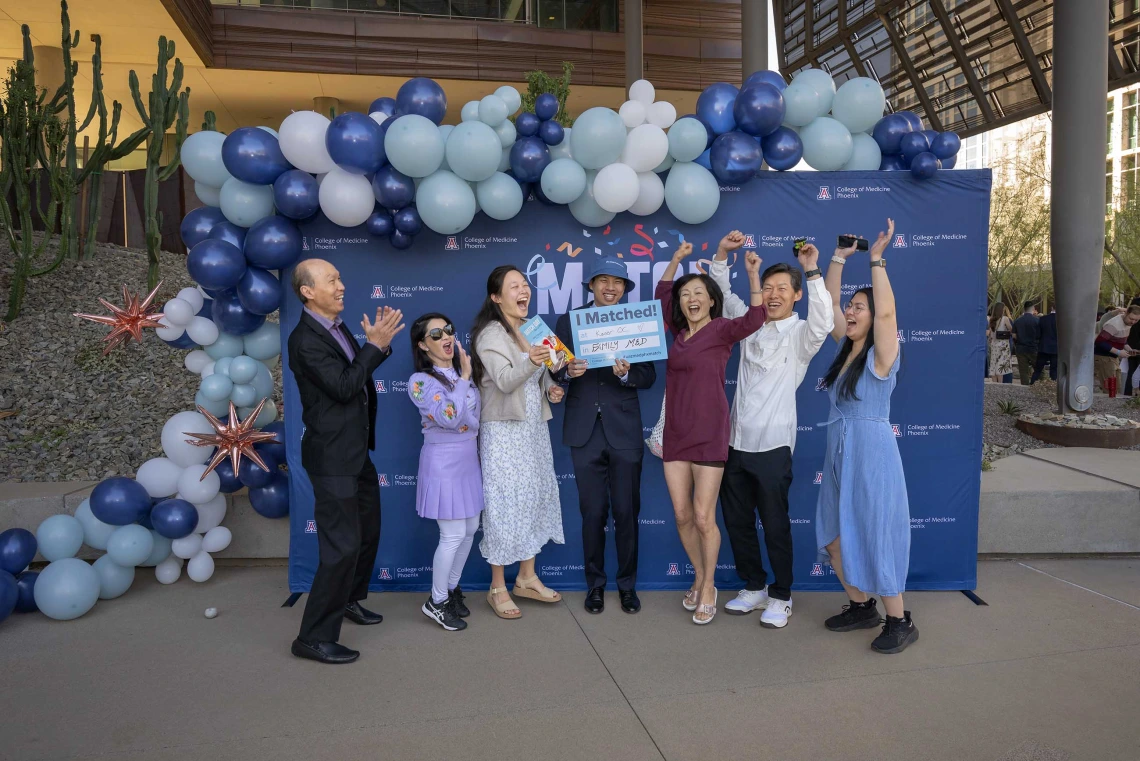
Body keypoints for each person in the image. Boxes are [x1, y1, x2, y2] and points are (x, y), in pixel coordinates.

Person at [706, 231, 833, 629]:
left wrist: (812, 270)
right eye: (768, 287)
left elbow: (824, 321)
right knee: (737, 520)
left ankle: (781, 594)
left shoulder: (800, 336)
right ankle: (754, 586)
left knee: (776, 524)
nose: (774, 294)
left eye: (782, 288)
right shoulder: (749, 325)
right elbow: (724, 296)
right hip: (735, 442)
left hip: (775, 444)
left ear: (796, 295)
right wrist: (724, 257)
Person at [287, 258, 404, 665]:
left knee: (367, 533)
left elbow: (356, 374)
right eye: (331, 279)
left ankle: (349, 599)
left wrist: (377, 347)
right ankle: (313, 637)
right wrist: (374, 347)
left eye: (339, 277)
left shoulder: (333, 328)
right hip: (332, 457)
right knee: (341, 547)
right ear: (307, 291)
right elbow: (342, 386)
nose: (341, 285)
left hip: (355, 452)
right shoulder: (305, 339)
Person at [816, 218, 917, 655]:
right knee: (835, 537)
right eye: (852, 306)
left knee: (876, 534)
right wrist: (838, 257)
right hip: (838, 453)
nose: (852, 311)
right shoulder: (846, 350)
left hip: (871, 453)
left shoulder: (881, 356)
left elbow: (888, 312)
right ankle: (862, 607)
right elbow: (828, 305)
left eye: (861, 307)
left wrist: (876, 259)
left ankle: (900, 619)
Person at [655, 240, 766, 625]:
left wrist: (752, 275)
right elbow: (662, 292)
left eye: (699, 293)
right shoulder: (675, 333)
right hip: (676, 433)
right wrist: (675, 261)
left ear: (712, 300)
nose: (691, 299)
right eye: (686, 295)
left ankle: (707, 587)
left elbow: (755, 318)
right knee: (682, 515)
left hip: (709, 432)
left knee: (704, 517)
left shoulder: (721, 330)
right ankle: (702, 576)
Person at [552, 258, 656, 615]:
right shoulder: (568, 321)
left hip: (624, 429)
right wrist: (567, 372)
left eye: (618, 282)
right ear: (591, 285)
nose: (610, 287)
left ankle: (627, 586)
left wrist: (628, 376)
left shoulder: (637, 321)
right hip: (584, 430)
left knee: (627, 511)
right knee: (592, 513)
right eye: (603, 281)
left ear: (625, 289)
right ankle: (595, 586)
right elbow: (553, 371)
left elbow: (649, 376)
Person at [471, 265, 566, 619]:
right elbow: (507, 380)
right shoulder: (489, 335)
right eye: (514, 286)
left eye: (525, 285)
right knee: (504, 503)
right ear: (496, 297)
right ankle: (497, 587)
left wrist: (552, 386)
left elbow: (541, 375)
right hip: (504, 432)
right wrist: (532, 361)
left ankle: (526, 578)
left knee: (533, 496)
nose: (523, 291)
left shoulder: (534, 328)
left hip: (533, 430)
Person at [408, 313, 483, 632]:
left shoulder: (460, 375)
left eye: (448, 330)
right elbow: (451, 418)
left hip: (468, 458)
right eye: (436, 334)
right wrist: (465, 376)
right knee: (451, 535)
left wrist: (463, 378)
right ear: (423, 345)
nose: (446, 337)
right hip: (443, 462)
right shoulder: (420, 381)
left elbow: (470, 419)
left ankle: (451, 590)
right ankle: (436, 601)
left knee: (469, 530)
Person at [1094, 305, 1140, 396]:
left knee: (1116, 387)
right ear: (1126, 313)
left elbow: (1121, 338)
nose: (1133, 322)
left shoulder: (1127, 323)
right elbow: (1099, 341)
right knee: (1111, 389)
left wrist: (1129, 349)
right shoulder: (1113, 324)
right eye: (1131, 319)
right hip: (1104, 357)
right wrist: (1118, 352)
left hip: (1112, 358)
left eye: (1136, 320)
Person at [1012, 300, 1040, 386]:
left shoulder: (1017, 321)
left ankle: (1025, 387)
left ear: (1024, 309)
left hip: (1021, 348)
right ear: (1033, 309)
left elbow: (1013, 335)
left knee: (1023, 371)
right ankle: (1038, 385)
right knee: (1039, 369)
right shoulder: (1038, 321)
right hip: (1034, 348)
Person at [987, 302, 1013, 383]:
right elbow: (1011, 329)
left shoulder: (991, 319)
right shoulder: (1005, 319)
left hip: (994, 344)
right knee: (1000, 365)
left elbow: (990, 334)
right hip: (1003, 345)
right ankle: (1000, 384)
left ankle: (995, 384)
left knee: (994, 364)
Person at [1030, 306, 1058, 384]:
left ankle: (1032, 383)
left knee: (1038, 369)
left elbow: (1038, 335)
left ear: (1052, 308)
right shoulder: (1062, 320)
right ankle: (1053, 386)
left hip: (1044, 347)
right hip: (1056, 348)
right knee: (1054, 370)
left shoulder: (1043, 319)